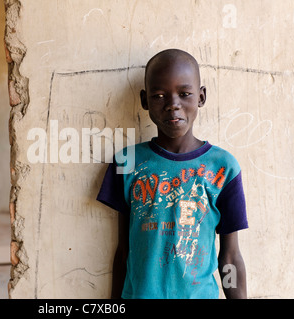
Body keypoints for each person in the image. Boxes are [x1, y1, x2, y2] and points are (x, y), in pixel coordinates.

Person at [96, 48, 248, 299]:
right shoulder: (127, 162)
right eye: (158, 96)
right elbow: (124, 250)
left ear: (201, 97)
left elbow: (230, 256)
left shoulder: (223, 168)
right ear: (145, 101)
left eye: (185, 94)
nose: (172, 105)